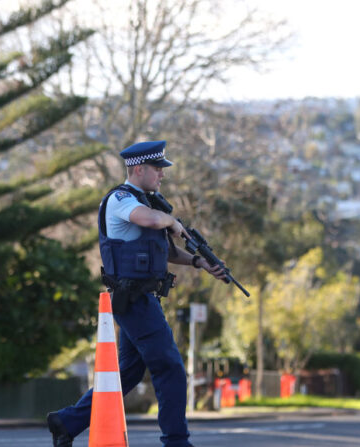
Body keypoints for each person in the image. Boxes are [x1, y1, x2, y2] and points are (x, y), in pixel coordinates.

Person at [46, 140, 227, 447]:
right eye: (158, 169)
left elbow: (165, 252)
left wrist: (199, 262)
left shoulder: (149, 202)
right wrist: (172, 222)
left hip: (143, 298)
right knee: (170, 368)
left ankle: (67, 422)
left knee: (126, 374)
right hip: (134, 299)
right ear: (139, 169)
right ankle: (176, 441)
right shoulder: (122, 199)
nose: (162, 175)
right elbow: (153, 221)